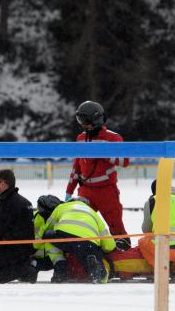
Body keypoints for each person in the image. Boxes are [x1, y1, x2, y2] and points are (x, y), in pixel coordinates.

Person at [64, 100, 131, 250]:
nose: (83, 126)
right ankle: (84, 249)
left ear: (96, 121)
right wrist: (69, 191)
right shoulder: (81, 138)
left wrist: (102, 152)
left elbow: (125, 161)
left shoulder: (113, 138)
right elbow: (76, 167)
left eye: (85, 122)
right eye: (80, 121)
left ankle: (123, 252)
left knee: (116, 227)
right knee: (79, 222)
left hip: (107, 191)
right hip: (85, 190)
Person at [42, 197, 116, 283]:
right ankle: (97, 270)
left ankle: (60, 267)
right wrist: (108, 248)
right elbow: (108, 245)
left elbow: (48, 227)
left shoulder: (62, 207)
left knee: (48, 237)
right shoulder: (93, 213)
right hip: (88, 242)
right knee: (102, 276)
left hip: (64, 236)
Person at [32, 195, 66, 280]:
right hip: (35, 258)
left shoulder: (61, 218)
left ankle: (60, 273)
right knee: (28, 278)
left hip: (54, 258)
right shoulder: (32, 218)